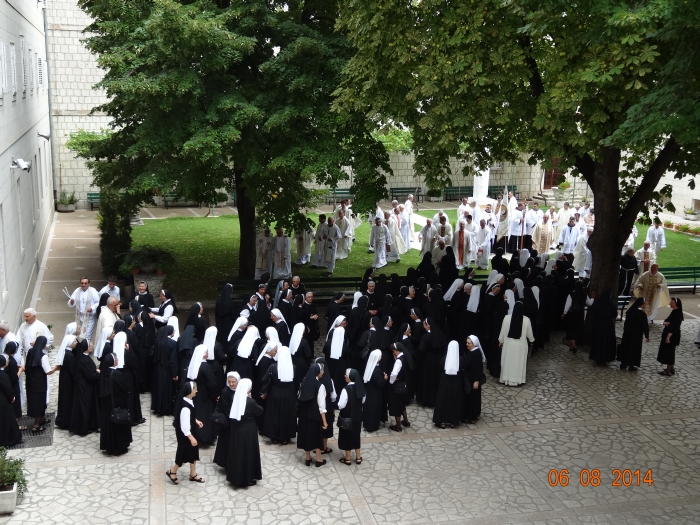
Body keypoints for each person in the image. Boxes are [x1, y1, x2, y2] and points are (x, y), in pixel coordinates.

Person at [226, 378, 263, 486]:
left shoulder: (235, 398)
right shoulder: (250, 402)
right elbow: (260, 411)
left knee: (238, 454)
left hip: (236, 430)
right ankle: (247, 478)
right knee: (248, 454)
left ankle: (235, 477)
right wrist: (251, 398)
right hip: (248, 431)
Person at [167, 381, 205, 485]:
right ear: (190, 391)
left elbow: (188, 417)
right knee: (185, 454)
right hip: (186, 434)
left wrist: (195, 420)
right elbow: (184, 425)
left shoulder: (187, 400)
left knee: (193, 452)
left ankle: (193, 474)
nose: (196, 391)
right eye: (195, 389)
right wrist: (191, 438)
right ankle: (172, 471)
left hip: (190, 431)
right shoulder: (185, 407)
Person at [260, 346, 297, 445]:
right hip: (289, 394)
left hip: (275, 393)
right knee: (287, 414)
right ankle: (285, 437)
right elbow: (296, 381)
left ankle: (274, 436)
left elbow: (265, 379)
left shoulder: (273, 367)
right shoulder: (293, 367)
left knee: (274, 415)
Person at [99, 353, 133, 456]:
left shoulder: (104, 373)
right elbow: (126, 387)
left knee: (108, 426)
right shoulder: (117, 374)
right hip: (118, 403)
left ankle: (109, 446)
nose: (118, 360)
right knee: (118, 426)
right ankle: (119, 448)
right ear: (113, 362)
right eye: (116, 359)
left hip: (107, 405)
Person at [296, 364, 329, 467]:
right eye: (322, 371)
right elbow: (321, 406)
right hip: (314, 415)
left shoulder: (303, 382)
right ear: (318, 372)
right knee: (316, 436)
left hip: (303, 414)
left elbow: (299, 395)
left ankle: (308, 458)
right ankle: (319, 459)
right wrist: (325, 421)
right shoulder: (320, 386)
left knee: (306, 434)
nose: (323, 372)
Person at [186, 345, 219, 445]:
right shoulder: (206, 367)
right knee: (205, 415)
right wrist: (216, 395)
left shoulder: (193, 364)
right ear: (204, 354)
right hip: (205, 395)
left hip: (195, 393)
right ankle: (205, 437)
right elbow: (211, 383)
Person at [25, 336, 56, 432]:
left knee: (33, 402)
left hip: (30, 382)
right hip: (39, 384)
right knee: (40, 403)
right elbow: (48, 371)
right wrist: (56, 368)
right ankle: (36, 425)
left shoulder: (30, 352)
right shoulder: (43, 356)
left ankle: (41, 418)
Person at [498, 303, 534, 386]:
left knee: (507, 361)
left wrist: (501, 341)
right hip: (521, 346)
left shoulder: (506, 318)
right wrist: (532, 339)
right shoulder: (526, 320)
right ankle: (517, 380)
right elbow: (529, 334)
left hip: (508, 345)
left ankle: (505, 378)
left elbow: (502, 331)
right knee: (518, 363)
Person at [70, 340, 100, 436]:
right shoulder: (84, 360)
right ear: (86, 348)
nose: (92, 346)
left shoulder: (83, 357)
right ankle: (84, 428)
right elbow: (90, 376)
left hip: (85, 386)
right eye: (91, 346)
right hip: (85, 388)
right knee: (85, 407)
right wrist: (97, 372)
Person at [337, 369, 365, 465]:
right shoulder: (361, 388)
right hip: (358, 417)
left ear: (350, 377)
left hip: (347, 417)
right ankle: (358, 457)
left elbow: (341, 405)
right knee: (356, 435)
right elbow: (363, 401)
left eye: (346, 375)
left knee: (347, 437)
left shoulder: (346, 390)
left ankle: (347, 458)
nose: (345, 376)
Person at [432, 341, 462, 429]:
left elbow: (440, 369)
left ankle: (441, 420)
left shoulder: (443, 359)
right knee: (454, 401)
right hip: (456, 383)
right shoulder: (460, 360)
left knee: (442, 401)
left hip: (444, 382)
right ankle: (453, 421)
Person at [213, 372, 240, 468]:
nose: (231, 384)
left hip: (237, 421)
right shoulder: (225, 391)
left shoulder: (241, 390)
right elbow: (226, 408)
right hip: (229, 422)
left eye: (233, 382)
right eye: (229, 382)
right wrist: (235, 417)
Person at [54, 330, 78, 429]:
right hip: (68, 381)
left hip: (64, 379)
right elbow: (73, 370)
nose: (76, 343)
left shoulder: (66, 353)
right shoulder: (70, 355)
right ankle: (66, 421)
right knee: (67, 400)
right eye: (74, 341)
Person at [618, 298, 650, 371]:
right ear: (641, 305)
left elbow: (626, 323)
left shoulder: (630, 311)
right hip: (636, 335)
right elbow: (644, 326)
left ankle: (623, 363)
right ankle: (631, 364)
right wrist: (647, 336)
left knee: (626, 347)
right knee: (634, 349)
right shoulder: (642, 314)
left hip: (627, 333)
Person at [151, 324, 177, 413]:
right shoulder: (173, 343)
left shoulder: (158, 342)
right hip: (167, 369)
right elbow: (173, 359)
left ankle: (157, 407)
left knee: (158, 388)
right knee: (166, 389)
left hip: (158, 369)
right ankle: (165, 408)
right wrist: (174, 373)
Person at [562, 283, 593, 353]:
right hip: (580, 315)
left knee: (571, 330)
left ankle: (573, 346)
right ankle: (572, 346)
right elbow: (590, 303)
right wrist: (593, 298)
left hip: (572, 315)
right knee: (577, 330)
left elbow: (568, 305)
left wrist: (564, 313)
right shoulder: (584, 295)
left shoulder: (571, 295)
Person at [588, 291, 617, 366]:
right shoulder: (611, 305)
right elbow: (615, 314)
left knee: (598, 341)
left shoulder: (597, 304)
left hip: (598, 325)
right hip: (608, 326)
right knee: (606, 342)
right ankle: (605, 358)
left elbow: (593, 311)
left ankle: (597, 357)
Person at [362, 349, 387, 432]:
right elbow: (380, 384)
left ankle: (368, 424)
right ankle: (372, 426)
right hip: (375, 394)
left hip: (369, 392)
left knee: (369, 409)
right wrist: (385, 378)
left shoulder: (370, 367)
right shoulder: (376, 371)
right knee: (374, 410)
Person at [387, 342, 411, 432]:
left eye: (393, 351)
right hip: (404, 384)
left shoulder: (399, 361)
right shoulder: (405, 357)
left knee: (396, 405)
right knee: (402, 404)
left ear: (397, 350)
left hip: (397, 385)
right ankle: (406, 421)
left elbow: (394, 373)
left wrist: (391, 381)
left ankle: (398, 426)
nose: (393, 353)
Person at [657, 298, 684, 376]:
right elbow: (667, 320)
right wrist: (665, 322)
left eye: (672, 303)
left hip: (672, 336)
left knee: (670, 352)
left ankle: (668, 370)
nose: (670, 304)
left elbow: (675, 327)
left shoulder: (677, 313)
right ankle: (671, 369)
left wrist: (668, 337)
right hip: (670, 334)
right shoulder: (674, 312)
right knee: (669, 351)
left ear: (676, 304)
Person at [0, 355, 22, 447]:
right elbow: (8, 388)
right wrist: (11, 397)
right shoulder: (3, 375)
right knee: (9, 420)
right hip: (3, 401)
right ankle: (11, 440)